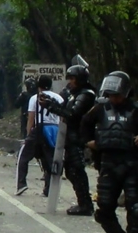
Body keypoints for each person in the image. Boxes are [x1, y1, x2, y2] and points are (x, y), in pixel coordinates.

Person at [81, 71, 138, 233]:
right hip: (108, 163)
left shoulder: (135, 110)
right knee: (104, 209)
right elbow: (84, 124)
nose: (114, 99)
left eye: (117, 95)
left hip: (132, 164)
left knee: (135, 209)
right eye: (111, 95)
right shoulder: (100, 109)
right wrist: (88, 142)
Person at [43, 64, 96, 215]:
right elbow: (63, 106)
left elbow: (72, 114)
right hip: (69, 136)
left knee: (77, 170)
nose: (70, 81)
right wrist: (49, 102)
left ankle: (86, 204)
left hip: (79, 137)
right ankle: (84, 203)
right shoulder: (73, 93)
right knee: (71, 171)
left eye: (73, 78)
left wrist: (50, 106)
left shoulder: (87, 94)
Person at [15, 75, 62, 196]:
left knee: (24, 156)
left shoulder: (35, 98)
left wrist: (28, 134)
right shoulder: (59, 98)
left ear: (38, 86)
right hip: (55, 130)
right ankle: (49, 188)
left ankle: (21, 184)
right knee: (48, 159)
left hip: (40, 127)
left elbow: (31, 118)